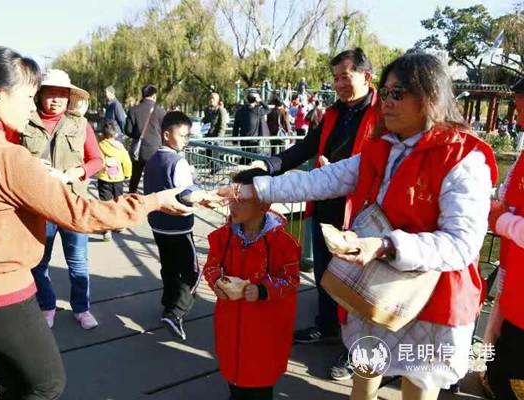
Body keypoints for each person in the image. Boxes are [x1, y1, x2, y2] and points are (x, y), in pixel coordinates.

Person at [222, 52, 498, 399]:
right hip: (377, 283)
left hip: (432, 295)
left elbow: (461, 244)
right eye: (386, 92)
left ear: (429, 97)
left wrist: (385, 245)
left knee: (418, 383)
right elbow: (323, 180)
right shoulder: (384, 147)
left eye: (397, 93)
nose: (387, 102)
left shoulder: (464, 158)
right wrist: (251, 189)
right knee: (367, 364)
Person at [0, 46, 191, 400]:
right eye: (29, 97)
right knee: (46, 383)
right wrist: (155, 200)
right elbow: (85, 214)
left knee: (11, 376)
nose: (32, 106)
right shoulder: (5, 155)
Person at [239, 48, 381, 381]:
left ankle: (356, 348)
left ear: (366, 76)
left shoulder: (383, 114)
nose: (339, 84)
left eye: (345, 76)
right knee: (324, 272)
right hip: (326, 203)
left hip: (361, 211)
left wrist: (339, 171)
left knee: (357, 282)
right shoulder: (332, 113)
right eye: (335, 78)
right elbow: (305, 148)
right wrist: (266, 166)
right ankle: (327, 326)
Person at [14, 69, 103, 330]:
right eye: (50, 93)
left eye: (61, 94)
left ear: (69, 97)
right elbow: (8, 158)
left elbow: (97, 161)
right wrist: (29, 165)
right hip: (38, 206)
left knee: (78, 262)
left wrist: (76, 173)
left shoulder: (80, 125)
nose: (56, 99)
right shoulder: (23, 122)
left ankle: (81, 309)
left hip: (72, 205)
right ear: (40, 95)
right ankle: (47, 305)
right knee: (38, 262)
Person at [204, 172, 300, 400]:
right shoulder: (223, 237)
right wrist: (217, 282)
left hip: (264, 330)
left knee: (260, 381)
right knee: (233, 372)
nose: (233, 205)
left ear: (264, 205)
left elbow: (291, 279)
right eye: (231, 198)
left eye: (242, 199)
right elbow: (211, 266)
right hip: (230, 322)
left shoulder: (283, 244)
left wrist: (263, 290)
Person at [143, 111, 220, 340]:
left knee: (168, 266)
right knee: (191, 272)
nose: (186, 140)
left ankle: (168, 303)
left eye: (188, 136)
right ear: (167, 135)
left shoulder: (152, 160)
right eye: (183, 135)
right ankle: (176, 312)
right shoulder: (179, 162)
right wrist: (207, 198)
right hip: (179, 226)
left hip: (158, 225)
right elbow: (187, 194)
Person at [486, 76, 524, 400]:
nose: (518, 120)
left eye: (523, 110)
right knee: (499, 365)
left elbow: (507, 214)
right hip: (514, 284)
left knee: (511, 376)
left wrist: (501, 220)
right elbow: (509, 195)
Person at [124, 84, 167, 193]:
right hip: (155, 150)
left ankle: (132, 196)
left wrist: (138, 135)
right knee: (153, 178)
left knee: (135, 177)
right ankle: (151, 197)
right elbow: (165, 131)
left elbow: (128, 131)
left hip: (138, 151)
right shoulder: (161, 111)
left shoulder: (133, 110)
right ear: (154, 95)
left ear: (143, 95)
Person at [97, 120, 133, 241]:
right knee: (118, 201)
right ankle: (119, 224)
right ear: (116, 134)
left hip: (104, 178)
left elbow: (97, 160)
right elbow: (127, 162)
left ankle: (107, 230)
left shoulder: (100, 145)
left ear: (103, 133)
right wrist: (127, 174)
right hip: (118, 179)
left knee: (106, 204)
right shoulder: (120, 148)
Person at [232, 92, 269, 161]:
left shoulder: (240, 111)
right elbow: (268, 109)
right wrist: (260, 101)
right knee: (254, 160)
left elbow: (235, 126)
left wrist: (235, 140)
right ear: (256, 100)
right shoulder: (257, 111)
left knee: (245, 158)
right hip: (254, 141)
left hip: (243, 140)